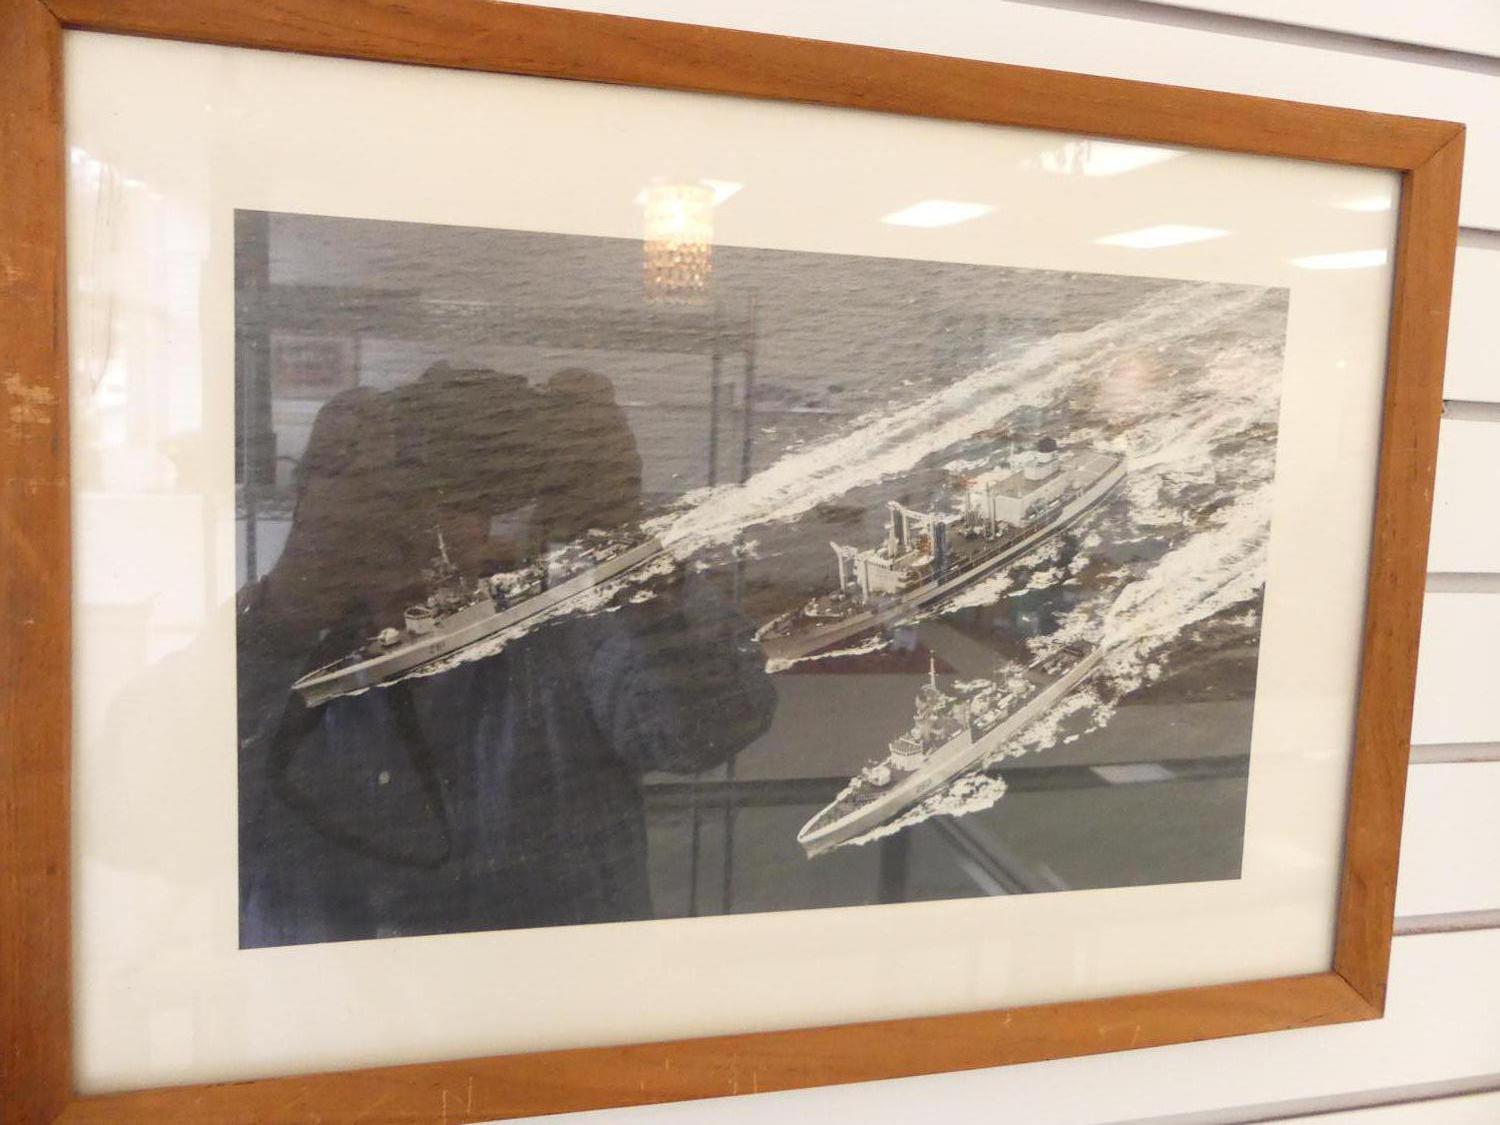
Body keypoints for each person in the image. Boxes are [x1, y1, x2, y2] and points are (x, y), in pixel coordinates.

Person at [236, 362, 776, 947]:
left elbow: (708, 730)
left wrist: (620, 541)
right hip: (337, 996)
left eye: (455, 497)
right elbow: (174, 821)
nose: (422, 526)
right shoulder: (277, 637)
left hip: (556, 993)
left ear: (492, 514)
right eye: (395, 495)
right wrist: (291, 603)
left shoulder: (563, 623)